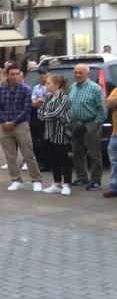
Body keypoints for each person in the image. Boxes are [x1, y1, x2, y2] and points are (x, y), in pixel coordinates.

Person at [0, 63, 43, 192]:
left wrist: (13, 122)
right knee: (10, 156)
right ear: (7, 76)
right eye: (12, 74)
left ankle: (36, 180)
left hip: (20, 124)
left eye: (17, 74)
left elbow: (26, 109)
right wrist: (4, 121)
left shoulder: (26, 89)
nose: (15, 77)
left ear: (20, 75)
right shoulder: (0, 90)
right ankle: (16, 180)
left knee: (28, 154)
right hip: (4, 126)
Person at [68, 63, 107, 191]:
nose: (78, 75)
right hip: (76, 123)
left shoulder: (95, 88)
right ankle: (82, 177)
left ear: (87, 73)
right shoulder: (73, 87)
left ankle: (96, 180)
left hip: (90, 123)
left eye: (80, 72)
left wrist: (94, 125)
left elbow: (102, 109)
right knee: (77, 152)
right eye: (76, 72)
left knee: (94, 154)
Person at [37, 74, 74, 196]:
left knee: (64, 160)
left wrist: (45, 115)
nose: (46, 85)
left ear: (56, 84)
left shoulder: (64, 97)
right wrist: (45, 115)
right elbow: (40, 112)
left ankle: (67, 184)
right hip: (49, 133)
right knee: (54, 160)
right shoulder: (48, 97)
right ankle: (56, 183)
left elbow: (56, 114)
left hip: (61, 133)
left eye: (48, 83)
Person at [105, 85, 117, 198]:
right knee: (114, 161)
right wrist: (112, 100)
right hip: (115, 133)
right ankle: (114, 187)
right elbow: (109, 103)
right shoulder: (116, 90)